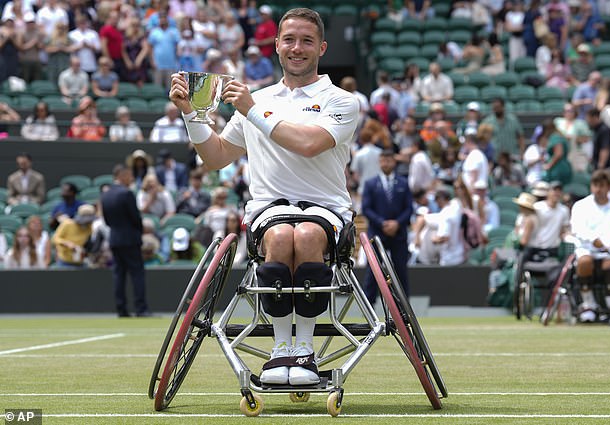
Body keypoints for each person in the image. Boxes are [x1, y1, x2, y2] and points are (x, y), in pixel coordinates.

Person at [168, 8, 359, 386]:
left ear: (321, 47)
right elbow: (216, 157)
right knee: (281, 235)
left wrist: (253, 110)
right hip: (269, 212)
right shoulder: (256, 100)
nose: (297, 48)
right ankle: (281, 349)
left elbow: (307, 145)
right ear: (276, 46)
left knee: (303, 235)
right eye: (289, 40)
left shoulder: (342, 100)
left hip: (327, 211)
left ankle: (303, 350)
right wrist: (190, 112)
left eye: (306, 41)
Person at [570, 170, 610, 322]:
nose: (598, 189)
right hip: (587, 247)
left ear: (609, 187)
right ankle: (588, 303)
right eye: (595, 185)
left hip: (609, 249)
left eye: (601, 185)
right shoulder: (581, 205)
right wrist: (592, 239)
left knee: (609, 265)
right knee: (584, 262)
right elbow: (577, 228)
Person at [361, 150, 413, 303]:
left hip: (399, 233)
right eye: (383, 160)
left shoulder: (403, 183)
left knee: (400, 270)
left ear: (394, 162)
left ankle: (403, 305)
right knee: (374, 270)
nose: (386, 163)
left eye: (389, 160)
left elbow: (409, 208)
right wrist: (382, 223)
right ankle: (369, 304)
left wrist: (397, 223)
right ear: (379, 162)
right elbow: (366, 209)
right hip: (377, 233)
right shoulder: (370, 184)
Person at [101, 164, 149, 317]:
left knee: (119, 274)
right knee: (137, 274)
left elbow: (107, 221)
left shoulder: (105, 195)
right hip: (130, 239)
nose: (131, 178)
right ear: (121, 176)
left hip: (114, 239)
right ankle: (141, 309)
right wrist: (139, 232)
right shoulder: (127, 194)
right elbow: (136, 218)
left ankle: (121, 309)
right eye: (129, 175)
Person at [51, 203, 96, 267]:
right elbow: (55, 239)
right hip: (65, 262)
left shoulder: (90, 227)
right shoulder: (67, 224)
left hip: (81, 262)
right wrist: (66, 243)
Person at [586, 108, 610, 172]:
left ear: (594, 117)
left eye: (589, 119)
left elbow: (605, 149)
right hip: (597, 166)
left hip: (605, 168)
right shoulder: (595, 129)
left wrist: (600, 166)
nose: (588, 121)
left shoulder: (604, 130)